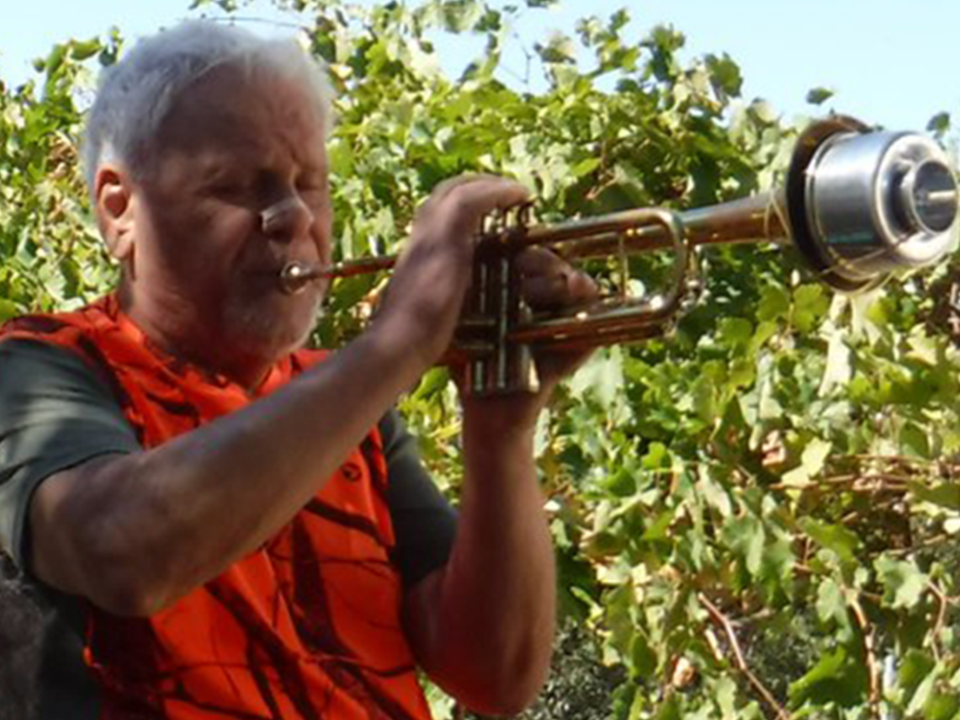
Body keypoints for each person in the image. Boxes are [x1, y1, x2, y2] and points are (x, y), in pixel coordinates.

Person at [0, 20, 596, 720]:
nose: (291, 217)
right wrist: (399, 342)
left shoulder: (354, 412)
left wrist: (501, 426)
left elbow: (495, 677)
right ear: (119, 209)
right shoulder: (39, 365)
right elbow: (122, 551)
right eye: (237, 187)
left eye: (308, 183)